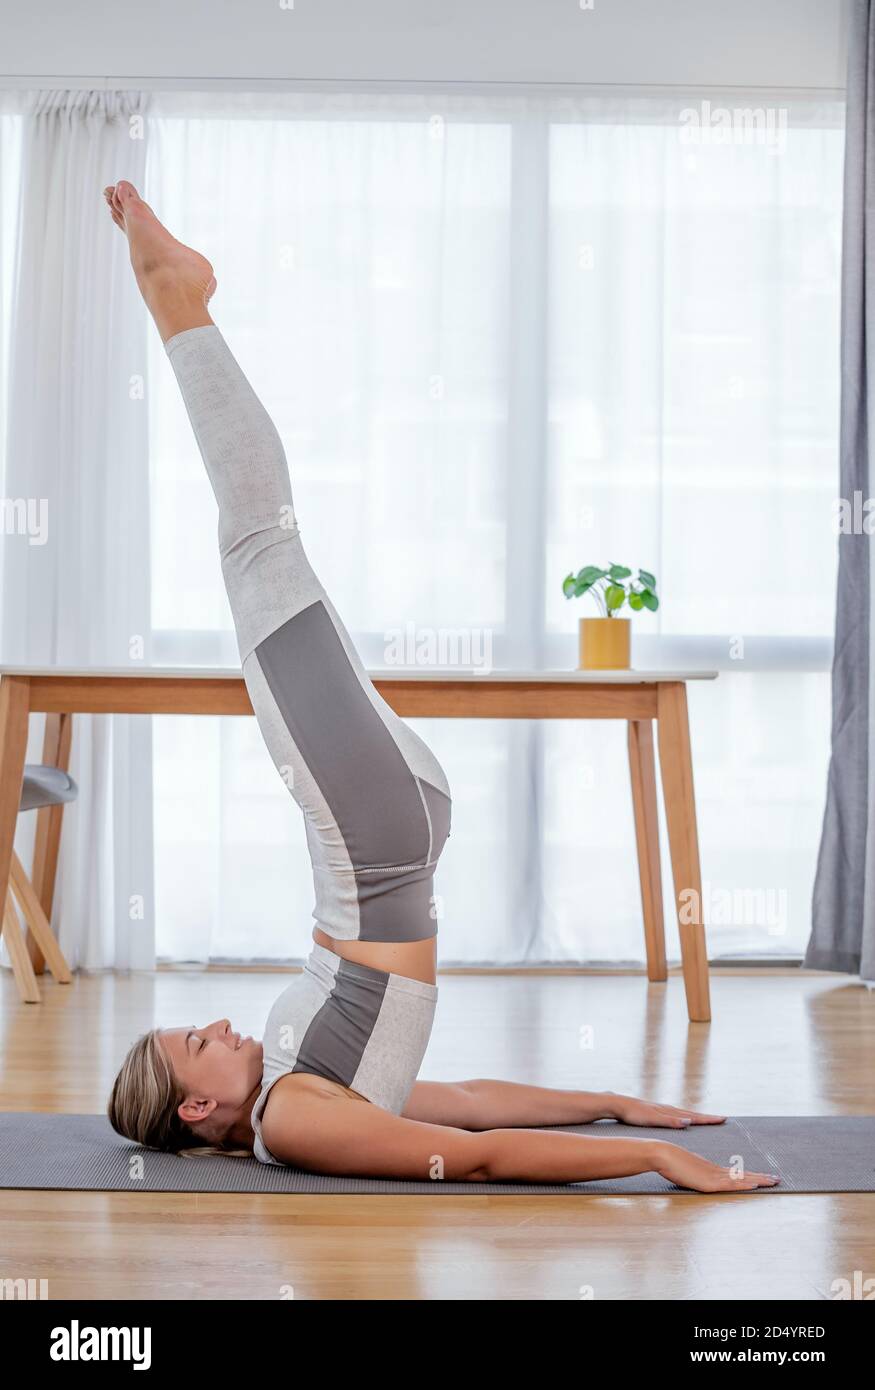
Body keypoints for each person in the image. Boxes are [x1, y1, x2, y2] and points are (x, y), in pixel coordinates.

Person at [105, 181, 778, 1193]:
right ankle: (177, 300)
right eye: (192, 1041)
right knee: (256, 541)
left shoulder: (302, 1083)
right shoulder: (292, 1122)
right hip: (372, 841)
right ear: (199, 1107)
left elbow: (458, 1101)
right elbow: (470, 1157)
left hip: (382, 840)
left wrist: (614, 1101)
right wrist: (644, 1156)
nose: (213, 1021)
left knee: (264, 547)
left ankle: (179, 299)